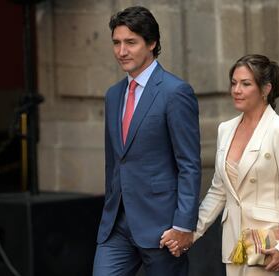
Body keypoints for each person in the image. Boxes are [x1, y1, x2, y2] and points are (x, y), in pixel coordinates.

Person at [161, 54, 279, 276]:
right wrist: (190, 232)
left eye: (246, 84)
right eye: (234, 83)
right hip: (233, 242)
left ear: (266, 89)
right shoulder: (225, 129)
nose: (236, 90)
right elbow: (219, 191)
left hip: (268, 243)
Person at [93, 6, 201, 276]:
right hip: (116, 224)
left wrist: (183, 225)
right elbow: (114, 161)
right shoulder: (113, 95)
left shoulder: (175, 92)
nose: (121, 51)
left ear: (152, 43)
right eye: (116, 43)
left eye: (131, 42)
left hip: (162, 227)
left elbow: (189, 163)